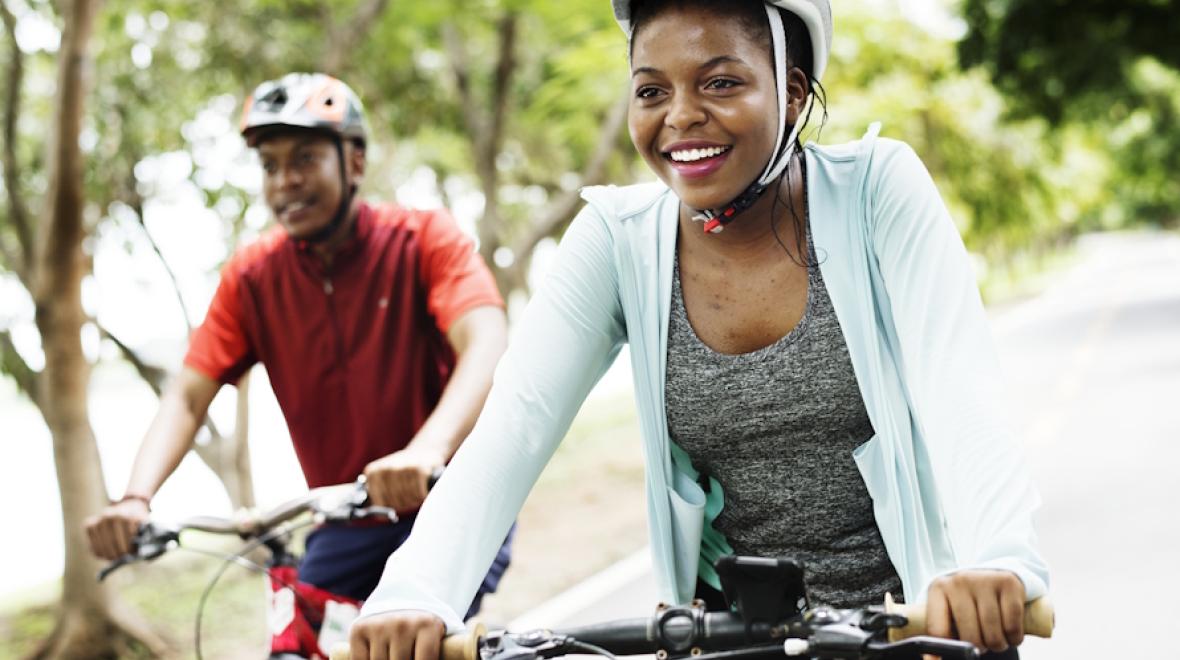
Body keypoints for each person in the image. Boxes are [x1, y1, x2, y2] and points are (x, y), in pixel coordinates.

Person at [349, 1, 1049, 658]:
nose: (681, 117)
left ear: (793, 92)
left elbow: (960, 393)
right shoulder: (616, 241)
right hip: (729, 630)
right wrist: (414, 594)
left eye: (719, 82)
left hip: (919, 621)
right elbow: (513, 427)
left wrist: (997, 558)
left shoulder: (878, 190)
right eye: (651, 91)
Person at [84, 73, 514, 634]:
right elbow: (188, 399)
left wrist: (426, 451)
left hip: (455, 503)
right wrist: (135, 498)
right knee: (300, 633)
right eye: (269, 166)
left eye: (306, 158)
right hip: (347, 521)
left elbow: (485, 340)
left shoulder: (424, 239)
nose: (285, 181)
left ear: (354, 163)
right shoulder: (253, 278)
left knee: (404, 632)